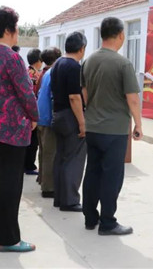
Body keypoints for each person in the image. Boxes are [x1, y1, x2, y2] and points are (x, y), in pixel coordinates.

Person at [0, 6, 38, 252]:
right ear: (7, 30)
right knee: (10, 185)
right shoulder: (12, 58)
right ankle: (8, 238)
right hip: (11, 129)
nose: (18, 32)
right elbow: (26, 93)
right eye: (16, 27)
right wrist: (34, 117)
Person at [81, 17, 143, 236]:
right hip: (114, 130)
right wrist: (138, 124)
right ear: (120, 35)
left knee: (92, 172)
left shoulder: (88, 61)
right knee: (112, 176)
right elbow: (132, 99)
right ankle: (108, 222)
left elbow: (85, 93)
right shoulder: (122, 63)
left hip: (93, 127)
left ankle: (90, 218)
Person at [51, 33, 87, 210]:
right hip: (70, 115)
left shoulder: (57, 63)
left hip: (57, 114)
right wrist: (82, 122)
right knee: (74, 159)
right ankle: (70, 200)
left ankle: (59, 197)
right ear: (82, 48)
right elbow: (74, 97)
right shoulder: (74, 67)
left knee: (61, 157)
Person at [35, 47, 62, 198]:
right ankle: (48, 187)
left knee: (44, 152)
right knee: (50, 154)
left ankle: (42, 179)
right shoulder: (54, 72)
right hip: (48, 118)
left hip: (40, 116)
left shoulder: (45, 73)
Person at [25, 48, 42, 175]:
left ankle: (25, 164)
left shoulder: (25, 71)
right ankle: (30, 165)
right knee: (33, 141)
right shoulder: (37, 75)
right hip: (33, 109)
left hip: (24, 110)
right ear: (38, 61)